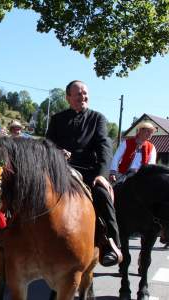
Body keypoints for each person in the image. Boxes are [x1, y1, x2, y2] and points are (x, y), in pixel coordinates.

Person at [46, 80, 122, 267]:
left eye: (85, 93)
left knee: (102, 194)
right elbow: (47, 145)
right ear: (68, 97)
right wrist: (58, 152)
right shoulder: (57, 119)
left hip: (88, 171)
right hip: (60, 170)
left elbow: (105, 147)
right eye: (78, 94)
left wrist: (102, 175)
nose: (83, 97)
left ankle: (112, 243)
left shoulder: (98, 118)